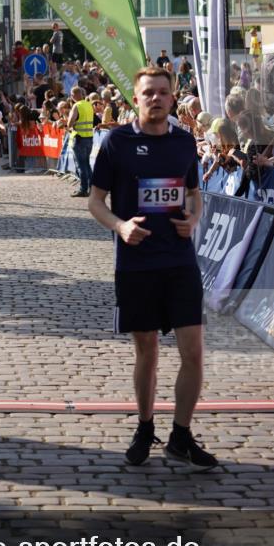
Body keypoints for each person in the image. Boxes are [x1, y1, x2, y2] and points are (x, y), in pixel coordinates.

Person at [88, 66, 217, 471]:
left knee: (193, 352)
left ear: (173, 96)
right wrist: (120, 226)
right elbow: (95, 202)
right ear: (136, 96)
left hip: (179, 262)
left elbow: (195, 197)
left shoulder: (183, 142)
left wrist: (193, 220)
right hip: (136, 265)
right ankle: (145, 427)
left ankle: (181, 435)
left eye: (163, 92)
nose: (156, 99)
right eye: (148, 93)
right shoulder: (117, 142)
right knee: (147, 351)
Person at [67, 85, 94, 198]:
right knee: (87, 164)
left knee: (81, 165)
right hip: (89, 138)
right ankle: (92, 188)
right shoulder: (89, 105)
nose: (71, 97)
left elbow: (70, 123)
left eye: (72, 95)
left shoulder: (76, 106)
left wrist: (70, 124)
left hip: (79, 138)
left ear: (75, 95)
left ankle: (83, 189)